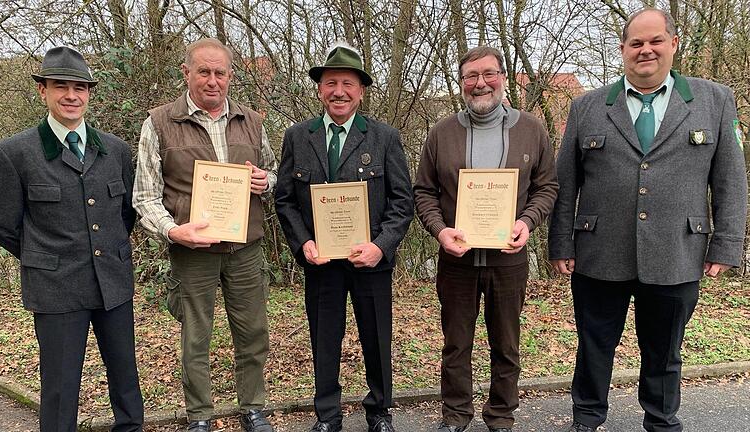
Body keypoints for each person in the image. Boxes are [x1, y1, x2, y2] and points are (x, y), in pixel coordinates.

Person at [548, 8, 747, 432]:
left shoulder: (713, 100)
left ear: (673, 44)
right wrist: (561, 243)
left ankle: (660, 420)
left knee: (664, 350)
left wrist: (727, 244)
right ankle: (586, 418)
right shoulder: (587, 106)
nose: (646, 50)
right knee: (594, 345)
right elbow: (566, 181)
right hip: (599, 252)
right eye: (636, 43)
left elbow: (731, 180)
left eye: (655, 41)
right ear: (622, 49)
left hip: (677, 251)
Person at [0, 46, 143, 432]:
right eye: (61, 86)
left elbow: (127, 212)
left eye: (80, 88)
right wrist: (43, 254)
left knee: (125, 380)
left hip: (113, 284)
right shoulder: (13, 153)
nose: (71, 96)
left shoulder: (116, 150)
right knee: (59, 388)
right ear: (42, 91)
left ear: (89, 93)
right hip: (55, 289)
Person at [132, 38, 277, 432]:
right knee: (196, 337)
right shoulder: (159, 122)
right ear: (187, 73)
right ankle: (199, 416)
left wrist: (266, 182)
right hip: (192, 249)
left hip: (244, 246)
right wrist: (173, 231)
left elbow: (273, 173)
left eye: (220, 73)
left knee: (253, 332)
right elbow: (144, 196)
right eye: (204, 72)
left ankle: (253, 407)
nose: (213, 81)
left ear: (230, 76)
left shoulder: (252, 120)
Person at [414, 46, 558, 432]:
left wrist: (527, 222)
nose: (480, 83)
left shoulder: (532, 129)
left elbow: (547, 188)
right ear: (461, 83)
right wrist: (440, 230)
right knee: (456, 345)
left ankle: (500, 417)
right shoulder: (442, 132)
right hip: (456, 259)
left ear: (503, 78)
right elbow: (423, 192)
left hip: (509, 259)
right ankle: (456, 416)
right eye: (470, 76)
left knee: (506, 345)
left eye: (488, 74)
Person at [274, 43, 413, 432]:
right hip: (321, 262)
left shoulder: (384, 137)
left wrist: (380, 246)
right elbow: (284, 199)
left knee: (376, 339)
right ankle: (328, 415)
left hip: (369, 261)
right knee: (324, 340)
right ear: (319, 89)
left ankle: (379, 412)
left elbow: (403, 201)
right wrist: (303, 243)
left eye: (347, 83)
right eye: (331, 82)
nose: (339, 91)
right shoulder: (298, 136)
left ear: (361, 90)